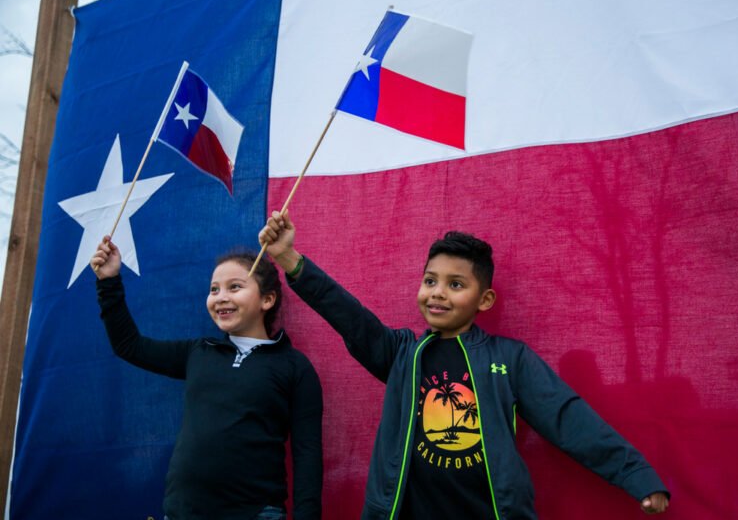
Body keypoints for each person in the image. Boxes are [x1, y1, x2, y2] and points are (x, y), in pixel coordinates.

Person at [259, 212, 670, 520]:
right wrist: (290, 259)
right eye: (430, 280)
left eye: (456, 285)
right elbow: (350, 317)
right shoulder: (401, 353)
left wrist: (636, 475)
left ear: (484, 300)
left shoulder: (510, 360)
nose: (438, 293)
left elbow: (569, 419)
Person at [90, 235, 323, 520]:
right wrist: (108, 281)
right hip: (183, 513)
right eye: (214, 290)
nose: (221, 297)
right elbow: (129, 346)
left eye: (235, 287)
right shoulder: (199, 352)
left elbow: (307, 455)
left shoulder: (294, 367)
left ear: (267, 299)